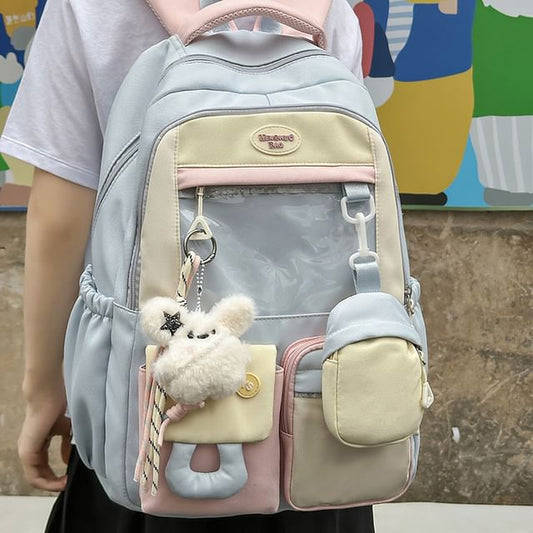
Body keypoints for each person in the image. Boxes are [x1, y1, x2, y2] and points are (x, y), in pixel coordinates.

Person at [0, 1, 374, 531]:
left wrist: (45, 391)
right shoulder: (324, 8)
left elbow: (62, 216)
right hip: (314, 402)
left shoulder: (89, 8)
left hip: (152, 400)